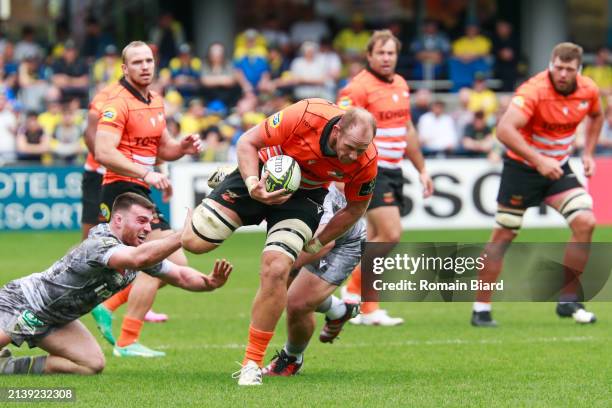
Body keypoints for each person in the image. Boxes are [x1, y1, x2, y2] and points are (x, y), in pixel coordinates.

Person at [180, 98, 378, 385]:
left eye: (361, 149)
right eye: (349, 147)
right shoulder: (306, 114)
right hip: (263, 174)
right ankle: (232, 178)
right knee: (193, 243)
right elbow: (248, 141)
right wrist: (251, 183)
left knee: (276, 270)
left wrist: (315, 241)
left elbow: (356, 210)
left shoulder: (366, 161)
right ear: (337, 132)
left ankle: (252, 363)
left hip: (307, 199)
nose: (353, 156)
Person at [0, 192, 232, 375]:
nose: (148, 228)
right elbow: (140, 258)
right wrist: (184, 234)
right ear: (118, 219)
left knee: (91, 364)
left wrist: (209, 282)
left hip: (57, 319)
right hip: (23, 304)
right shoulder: (99, 244)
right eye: (141, 221)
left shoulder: (134, 252)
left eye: (150, 223)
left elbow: (179, 275)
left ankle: (7, 367)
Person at [472, 42, 604, 327]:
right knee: (504, 236)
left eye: (569, 69)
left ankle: (569, 300)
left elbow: (597, 115)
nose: (563, 74)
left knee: (586, 222)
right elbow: (505, 130)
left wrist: (589, 153)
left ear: (578, 70)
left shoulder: (588, 90)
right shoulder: (534, 90)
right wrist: (539, 160)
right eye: (558, 67)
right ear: (550, 64)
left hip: (557, 167)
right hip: (522, 169)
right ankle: (480, 308)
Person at [91, 41, 202, 357]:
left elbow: (162, 147)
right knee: (165, 262)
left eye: (149, 60)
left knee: (165, 262)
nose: (145, 66)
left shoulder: (155, 100)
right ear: (124, 69)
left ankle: (109, 306)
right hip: (121, 191)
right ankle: (126, 340)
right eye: (137, 62)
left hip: (140, 189)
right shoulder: (117, 104)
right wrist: (146, 173)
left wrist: (182, 148)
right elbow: (103, 152)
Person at [337, 30, 433, 326]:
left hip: (394, 170)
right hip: (369, 169)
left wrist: (422, 169)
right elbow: (341, 129)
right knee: (390, 235)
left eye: (391, 53)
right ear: (369, 56)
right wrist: (344, 175)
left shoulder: (401, 84)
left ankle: (361, 304)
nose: (387, 58)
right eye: (381, 53)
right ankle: (355, 296)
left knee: (377, 238)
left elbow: (408, 130)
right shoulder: (358, 89)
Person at [262, 183, 364, 376]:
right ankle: (340, 310)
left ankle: (291, 359)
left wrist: (286, 266)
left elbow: (324, 242)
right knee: (283, 289)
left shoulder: (317, 193)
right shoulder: (278, 182)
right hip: (308, 239)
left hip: (342, 243)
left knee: (296, 303)